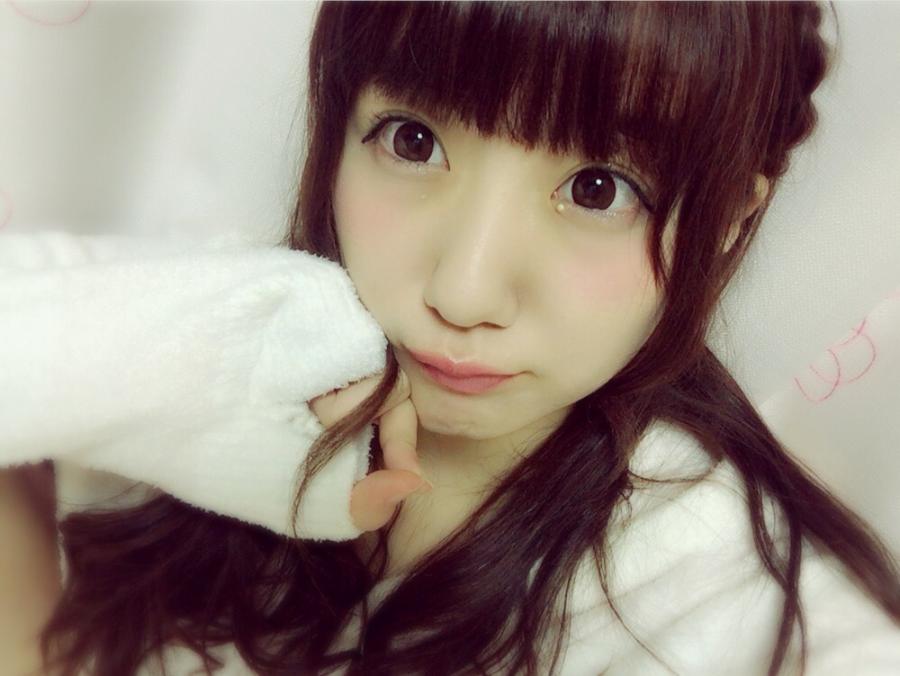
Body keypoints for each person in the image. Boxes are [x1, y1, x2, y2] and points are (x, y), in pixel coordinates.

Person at [1, 1, 898, 674]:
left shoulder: (738, 612)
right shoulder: (205, 367)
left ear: (731, 220)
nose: (464, 292)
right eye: (412, 140)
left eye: (598, 189)